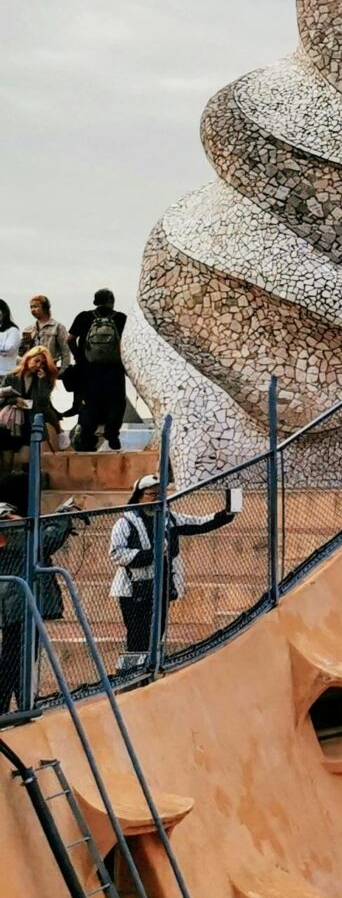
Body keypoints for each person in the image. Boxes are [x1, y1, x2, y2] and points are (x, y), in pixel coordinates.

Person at [107, 474, 237, 672]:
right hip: (135, 589)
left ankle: (147, 672)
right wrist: (152, 555)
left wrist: (226, 514)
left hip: (161, 586)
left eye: (159, 494)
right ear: (139, 497)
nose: (156, 498)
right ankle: (127, 675)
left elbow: (199, 523)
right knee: (136, 637)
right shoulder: (125, 522)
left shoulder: (169, 518)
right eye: (151, 494)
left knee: (156, 633)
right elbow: (116, 554)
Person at [1, 497, 74, 715]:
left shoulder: (18, 537)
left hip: (18, 606)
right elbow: (47, 540)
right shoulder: (16, 538)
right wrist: (63, 516)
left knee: (17, 658)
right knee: (15, 659)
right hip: (18, 607)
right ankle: (19, 704)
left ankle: (20, 703)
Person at [67, 288, 128, 453]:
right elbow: (128, 344)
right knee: (117, 402)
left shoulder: (84, 317)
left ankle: (87, 439)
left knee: (90, 404)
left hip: (89, 370)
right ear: (112, 301)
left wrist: (79, 357)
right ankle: (112, 433)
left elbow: (70, 339)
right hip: (114, 370)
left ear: (95, 302)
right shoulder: (121, 318)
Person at [19, 299, 69, 449]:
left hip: (48, 368)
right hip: (30, 369)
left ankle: (59, 431)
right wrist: (25, 342)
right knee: (32, 401)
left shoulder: (57, 327)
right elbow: (23, 353)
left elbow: (65, 351)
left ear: (45, 308)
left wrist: (63, 370)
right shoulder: (30, 329)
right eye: (31, 307)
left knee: (43, 400)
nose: (33, 310)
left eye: (36, 307)